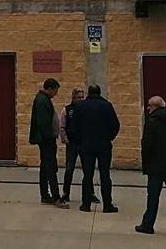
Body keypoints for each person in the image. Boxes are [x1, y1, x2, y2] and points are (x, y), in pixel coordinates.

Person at [135, 96, 166, 236]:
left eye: (149, 106)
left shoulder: (152, 121)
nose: (148, 108)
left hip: (156, 165)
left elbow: (147, 144)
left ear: (155, 107)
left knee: (153, 196)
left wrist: (146, 162)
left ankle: (148, 224)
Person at [73, 84, 121, 213]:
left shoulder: (80, 106)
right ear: (99, 93)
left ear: (89, 93)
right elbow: (115, 125)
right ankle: (107, 204)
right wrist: (109, 137)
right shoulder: (107, 106)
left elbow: (74, 127)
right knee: (105, 175)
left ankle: (86, 204)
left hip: (86, 145)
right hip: (103, 145)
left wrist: (80, 141)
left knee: (87, 175)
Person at [29, 78, 67, 207]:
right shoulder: (42, 101)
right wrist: (50, 138)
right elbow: (44, 123)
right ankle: (55, 197)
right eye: (55, 90)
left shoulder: (43, 99)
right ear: (50, 88)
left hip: (45, 140)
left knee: (45, 167)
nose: (56, 93)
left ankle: (45, 195)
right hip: (46, 141)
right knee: (51, 168)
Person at [59, 88, 91, 205]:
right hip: (72, 143)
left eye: (83, 97)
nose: (81, 99)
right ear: (73, 98)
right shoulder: (67, 110)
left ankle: (90, 193)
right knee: (69, 169)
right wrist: (65, 140)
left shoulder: (87, 110)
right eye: (79, 97)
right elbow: (62, 126)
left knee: (87, 169)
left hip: (84, 143)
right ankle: (66, 193)